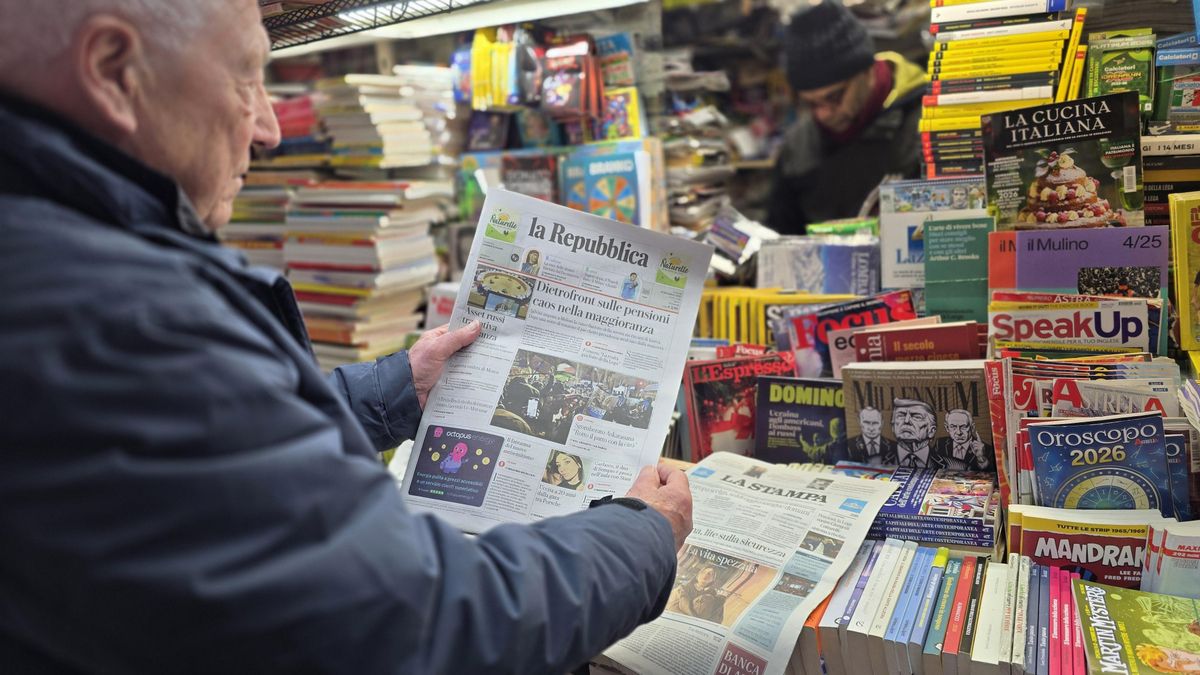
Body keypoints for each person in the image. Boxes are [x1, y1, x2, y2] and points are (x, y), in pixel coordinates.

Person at [0, 2, 693, 672]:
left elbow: (207, 456)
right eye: (246, 74)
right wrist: (641, 534)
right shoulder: (114, 313)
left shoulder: (49, 258)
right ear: (115, 69)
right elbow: (416, 623)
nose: (268, 127)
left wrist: (395, 388)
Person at [767, 0, 927, 234]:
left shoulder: (926, 123)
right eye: (811, 103)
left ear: (867, 71)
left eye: (834, 97)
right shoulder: (798, 146)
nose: (823, 114)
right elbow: (781, 236)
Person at [891, 399, 944, 469]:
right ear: (893, 427)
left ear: (931, 431)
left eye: (916, 417)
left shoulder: (953, 465)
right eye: (901, 416)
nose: (906, 421)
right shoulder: (876, 460)